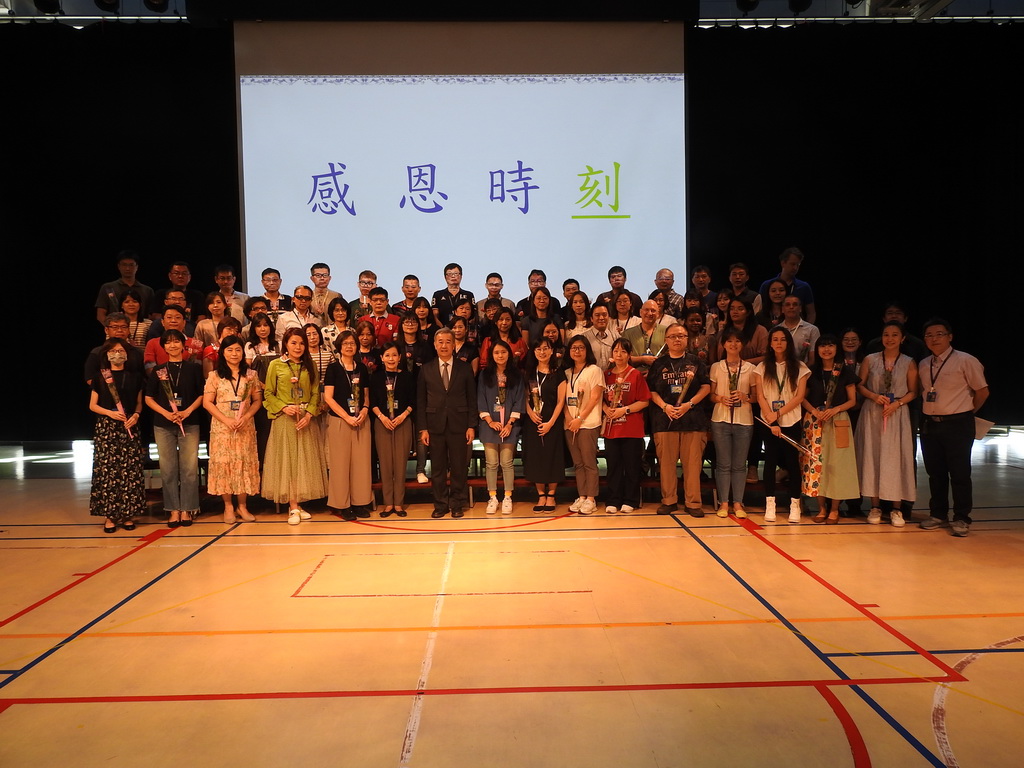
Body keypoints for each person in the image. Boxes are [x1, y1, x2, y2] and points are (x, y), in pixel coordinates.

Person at [917, 318, 989, 537]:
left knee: (959, 473)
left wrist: (966, 412)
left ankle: (961, 517)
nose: (934, 339)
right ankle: (938, 514)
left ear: (950, 336)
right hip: (930, 424)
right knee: (935, 473)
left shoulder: (966, 360)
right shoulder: (924, 364)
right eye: (929, 335)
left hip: (958, 423)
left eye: (939, 334)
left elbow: (982, 391)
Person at [261, 327, 328, 524]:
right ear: (285, 345)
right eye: (293, 343)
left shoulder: (310, 365)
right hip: (285, 419)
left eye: (301, 343)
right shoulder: (275, 365)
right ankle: (293, 507)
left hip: (305, 419)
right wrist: (283, 407)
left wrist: (310, 414)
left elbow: (315, 392)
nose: (298, 347)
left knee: (303, 462)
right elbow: (268, 393)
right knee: (288, 462)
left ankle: (299, 503)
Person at [855, 321, 918, 527]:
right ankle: (875, 506)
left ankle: (896, 509)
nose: (890, 339)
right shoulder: (870, 359)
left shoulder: (909, 362)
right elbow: (860, 385)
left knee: (895, 458)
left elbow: (913, 392)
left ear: (902, 338)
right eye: (886, 334)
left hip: (896, 413)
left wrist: (897, 403)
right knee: (872, 456)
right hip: (873, 412)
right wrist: (874, 396)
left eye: (894, 335)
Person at [647, 323, 712, 517]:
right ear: (666, 340)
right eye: (673, 336)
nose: (677, 339)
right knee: (666, 465)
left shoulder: (696, 362)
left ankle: (693, 503)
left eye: (681, 336)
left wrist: (689, 404)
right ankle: (669, 501)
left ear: (687, 339)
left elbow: (706, 387)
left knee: (692, 465)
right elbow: (651, 391)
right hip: (664, 420)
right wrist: (665, 406)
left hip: (692, 420)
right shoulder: (658, 364)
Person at [145, 330, 204, 528]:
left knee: (189, 468)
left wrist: (187, 411)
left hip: (190, 422)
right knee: (168, 469)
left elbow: (202, 395)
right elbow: (148, 398)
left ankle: (188, 508)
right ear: (163, 346)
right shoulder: (158, 370)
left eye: (176, 341)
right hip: (163, 424)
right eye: (168, 342)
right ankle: (172, 510)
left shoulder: (194, 368)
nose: (173, 345)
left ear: (183, 345)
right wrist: (166, 413)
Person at [799, 335, 860, 525]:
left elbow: (852, 400)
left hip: (838, 420)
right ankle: (821, 508)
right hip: (815, 422)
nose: (826, 349)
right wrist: (814, 411)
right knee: (817, 464)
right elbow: (802, 398)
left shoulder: (845, 371)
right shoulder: (811, 372)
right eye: (822, 346)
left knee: (837, 465)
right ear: (817, 350)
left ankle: (835, 509)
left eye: (830, 345)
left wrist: (835, 409)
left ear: (836, 348)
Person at [417, 328, 477, 519]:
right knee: (437, 468)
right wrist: (423, 428)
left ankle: (457, 503)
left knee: (459, 467)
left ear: (454, 345)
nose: (444, 345)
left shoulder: (464, 368)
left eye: (448, 342)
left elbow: (472, 398)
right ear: (435, 345)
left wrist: (471, 425)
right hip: (434, 425)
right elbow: (421, 401)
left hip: (459, 425)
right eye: (440, 342)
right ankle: (440, 504)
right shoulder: (426, 369)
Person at [203, 335, 262, 523]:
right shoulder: (214, 376)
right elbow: (207, 402)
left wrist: (247, 416)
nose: (234, 354)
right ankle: (228, 506)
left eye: (238, 350)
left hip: (245, 425)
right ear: (223, 353)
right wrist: (225, 420)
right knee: (225, 464)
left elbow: (257, 400)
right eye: (229, 350)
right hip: (223, 427)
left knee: (243, 463)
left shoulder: (251, 375)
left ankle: (242, 506)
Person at [88, 338, 145, 533]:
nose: (117, 354)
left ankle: (128, 514)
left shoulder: (135, 377)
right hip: (107, 427)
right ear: (107, 354)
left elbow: (139, 403)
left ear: (127, 354)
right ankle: (110, 516)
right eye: (113, 351)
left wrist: (136, 415)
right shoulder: (100, 377)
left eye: (121, 350)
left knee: (130, 471)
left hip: (129, 425)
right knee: (108, 471)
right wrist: (110, 413)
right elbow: (93, 405)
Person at [755, 327, 811, 523]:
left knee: (792, 462)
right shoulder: (762, 367)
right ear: (770, 343)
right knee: (770, 461)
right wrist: (771, 418)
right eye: (775, 339)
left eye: (783, 339)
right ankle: (770, 503)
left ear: (788, 342)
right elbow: (760, 396)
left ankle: (794, 504)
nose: (779, 343)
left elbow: (799, 397)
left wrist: (778, 414)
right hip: (768, 420)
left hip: (791, 419)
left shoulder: (800, 367)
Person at [323, 330, 374, 521]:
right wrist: (346, 416)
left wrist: (365, 410)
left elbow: (366, 395)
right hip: (340, 421)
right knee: (340, 464)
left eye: (352, 343)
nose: (349, 346)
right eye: (345, 344)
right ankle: (342, 505)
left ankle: (360, 502)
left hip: (361, 420)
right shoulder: (333, 368)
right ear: (339, 347)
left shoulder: (362, 368)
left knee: (361, 463)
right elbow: (328, 398)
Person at [708, 328, 757, 518]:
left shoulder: (751, 368)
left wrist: (745, 396)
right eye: (729, 341)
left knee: (739, 464)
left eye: (737, 341)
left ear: (742, 344)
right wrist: (720, 398)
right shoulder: (716, 367)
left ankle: (738, 502)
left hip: (744, 420)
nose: (733, 344)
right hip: (720, 419)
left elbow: (756, 397)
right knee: (723, 463)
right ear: (723, 345)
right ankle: (723, 502)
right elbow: (711, 395)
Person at [601, 338, 650, 514]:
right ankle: (613, 500)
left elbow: (644, 401)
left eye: (623, 351)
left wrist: (625, 410)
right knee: (613, 466)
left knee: (631, 466)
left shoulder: (635, 374)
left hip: (631, 428)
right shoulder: (606, 375)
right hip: (611, 429)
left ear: (629, 355)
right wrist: (606, 409)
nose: (619, 355)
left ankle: (631, 500)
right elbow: (600, 399)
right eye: (616, 351)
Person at [477, 340, 525, 514]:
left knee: (506, 462)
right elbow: (481, 399)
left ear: (509, 354)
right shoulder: (484, 375)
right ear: (492, 355)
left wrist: (510, 423)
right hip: (489, 425)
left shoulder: (517, 375)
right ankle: (492, 497)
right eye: (496, 352)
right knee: (491, 463)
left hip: (509, 426)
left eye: (503, 352)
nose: (500, 355)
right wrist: (490, 421)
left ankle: (507, 497)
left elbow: (519, 400)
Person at [370, 342, 416, 517]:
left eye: (394, 355)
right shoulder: (376, 377)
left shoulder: (407, 377)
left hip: (402, 422)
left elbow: (413, 401)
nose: (391, 359)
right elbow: (372, 402)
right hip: (382, 423)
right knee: (385, 464)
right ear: (382, 358)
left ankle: (399, 504)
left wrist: (402, 416)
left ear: (400, 357)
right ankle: (388, 503)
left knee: (400, 464)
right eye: (387, 355)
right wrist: (382, 417)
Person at [522, 339, 567, 512]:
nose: (542, 352)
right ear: (534, 352)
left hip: (552, 421)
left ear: (551, 351)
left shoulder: (558, 373)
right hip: (533, 420)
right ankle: (541, 495)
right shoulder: (529, 373)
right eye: (538, 349)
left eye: (546, 348)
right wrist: (530, 412)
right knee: (536, 457)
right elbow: (525, 397)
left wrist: (551, 423)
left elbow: (561, 401)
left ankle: (552, 495)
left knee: (552, 456)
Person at [563, 336, 605, 515]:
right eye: (574, 348)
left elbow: (595, 398)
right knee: (578, 464)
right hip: (570, 424)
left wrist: (580, 418)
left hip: (588, 423)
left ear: (587, 350)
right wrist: (569, 419)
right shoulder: (566, 372)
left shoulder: (594, 370)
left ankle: (591, 499)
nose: (577, 351)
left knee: (589, 463)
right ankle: (581, 496)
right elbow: (563, 400)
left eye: (581, 348)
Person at [757, 246, 816, 324]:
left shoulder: (804, 287)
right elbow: (760, 309)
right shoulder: (767, 285)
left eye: (798, 265)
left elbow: (811, 313)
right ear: (783, 263)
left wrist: (806, 328)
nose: (795, 268)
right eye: (792, 264)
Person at [95, 250, 154, 326]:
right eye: (124, 265)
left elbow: (151, 315)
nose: (127, 268)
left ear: (137, 267)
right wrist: (112, 328)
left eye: (131, 265)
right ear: (118, 266)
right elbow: (100, 314)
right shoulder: (108, 287)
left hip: (141, 330)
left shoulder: (147, 290)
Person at [621, 300, 667, 375]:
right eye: (646, 310)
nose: (649, 313)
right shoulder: (628, 333)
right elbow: (622, 357)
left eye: (653, 311)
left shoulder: (667, 332)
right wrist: (642, 359)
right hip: (633, 376)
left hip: (660, 376)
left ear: (658, 314)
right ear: (640, 312)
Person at [719, 297, 767, 365]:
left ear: (748, 312)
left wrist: (742, 364)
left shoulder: (760, 331)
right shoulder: (723, 332)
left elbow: (766, 357)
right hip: (725, 368)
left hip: (753, 369)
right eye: (732, 309)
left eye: (740, 309)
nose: (735, 312)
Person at [778, 295, 820, 364]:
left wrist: (802, 370)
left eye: (795, 304)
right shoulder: (775, 330)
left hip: (804, 369)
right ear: (782, 309)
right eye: (788, 305)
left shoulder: (812, 330)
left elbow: (813, 359)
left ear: (800, 308)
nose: (791, 307)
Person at [431, 262, 475, 326]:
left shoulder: (469, 295)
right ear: (445, 277)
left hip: (462, 328)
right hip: (443, 328)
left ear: (461, 276)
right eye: (449, 274)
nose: (453, 276)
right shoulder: (437, 295)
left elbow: (473, 315)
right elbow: (435, 315)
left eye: (456, 273)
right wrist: (442, 328)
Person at [581, 304, 619, 371]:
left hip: (612, 375)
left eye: (604, 315)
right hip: (591, 375)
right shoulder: (584, 338)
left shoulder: (616, 337)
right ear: (591, 319)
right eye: (597, 315)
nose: (601, 318)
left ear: (609, 317)